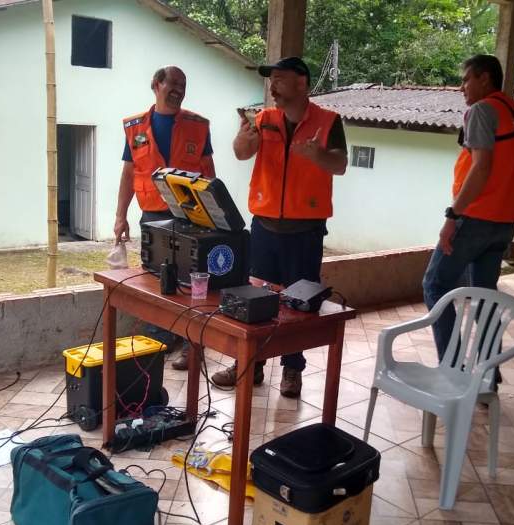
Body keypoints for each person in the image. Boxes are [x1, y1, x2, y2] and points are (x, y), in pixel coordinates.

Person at [212, 56, 348, 397]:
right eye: (270, 80)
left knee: (298, 305)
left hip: (306, 231)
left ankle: (292, 370)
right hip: (264, 227)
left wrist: (318, 156)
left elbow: (341, 165)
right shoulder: (264, 119)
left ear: (301, 83)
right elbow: (242, 153)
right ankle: (251, 364)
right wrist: (244, 139)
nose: (272, 86)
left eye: (280, 79)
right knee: (255, 298)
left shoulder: (328, 121)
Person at [422, 54, 514, 385]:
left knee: (435, 284)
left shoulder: (483, 110)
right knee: (485, 294)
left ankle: (453, 370)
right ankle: (488, 375)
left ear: (484, 79)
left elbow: (481, 166)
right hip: (506, 220)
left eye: (466, 79)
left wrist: (453, 215)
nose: (462, 88)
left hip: (477, 218)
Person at [115, 66, 216, 370]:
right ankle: (161, 335)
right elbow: (130, 173)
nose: (178, 89)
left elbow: (209, 172)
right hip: (153, 215)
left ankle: (192, 342)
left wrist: (212, 217)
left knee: (192, 282)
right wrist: (120, 216)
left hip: (191, 218)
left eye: (183, 85)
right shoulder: (136, 128)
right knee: (155, 279)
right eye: (172, 83)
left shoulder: (197, 125)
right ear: (156, 85)